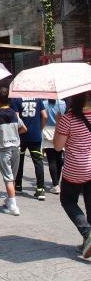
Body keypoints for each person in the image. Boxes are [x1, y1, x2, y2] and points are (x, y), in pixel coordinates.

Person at [54, 92, 91, 259]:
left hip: (76, 167)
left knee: (67, 200)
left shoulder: (68, 118)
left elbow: (57, 146)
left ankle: (87, 233)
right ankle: (87, 243)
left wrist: (58, 125)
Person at [0, 87, 27, 216]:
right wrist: (14, 133)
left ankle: (13, 206)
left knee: (8, 178)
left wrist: (0, 133)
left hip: (4, 149)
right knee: (12, 177)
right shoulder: (14, 114)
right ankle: (9, 200)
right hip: (16, 148)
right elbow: (24, 129)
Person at [11, 97, 48, 200]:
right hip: (35, 135)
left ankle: (18, 186)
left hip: (21, 134)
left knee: (19, 160)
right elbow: (45, 116)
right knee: (38, 161)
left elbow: (16, 118)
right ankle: (40, 189)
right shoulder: (38, 99)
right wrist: (39, 128)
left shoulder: (16, 100)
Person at [43, 99, 66, 194]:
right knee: (58, 158)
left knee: (51, 159)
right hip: (60, 130)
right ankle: (56, 183)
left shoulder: (44, 103)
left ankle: (55, 184)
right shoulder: (63, 103)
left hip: (47, 131)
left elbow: (43, 117)